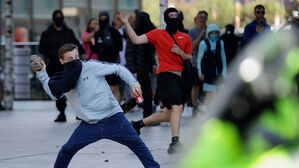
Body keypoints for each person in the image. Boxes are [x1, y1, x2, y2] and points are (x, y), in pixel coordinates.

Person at [31, 43, 160, 168]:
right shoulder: (64, 80)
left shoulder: (91, 66)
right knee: (66, 150)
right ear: (62, 61)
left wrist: (133, 83)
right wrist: (42, 73)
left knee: (138, 145)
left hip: (114, 118)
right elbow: (54, 93)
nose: (75, 61)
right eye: (70, 59)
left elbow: (118, 68)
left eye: (76, 57)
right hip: (89, 124)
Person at [120, 7, 193, 154]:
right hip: (166, 76)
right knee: (177, 108)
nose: (174, 17)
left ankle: (137, 124)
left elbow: (189, 56)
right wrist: (126, 23)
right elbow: (136, 39)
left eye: (176, 15)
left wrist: (181, 53)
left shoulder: (185, 37)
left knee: (168, 114)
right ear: (166, 19)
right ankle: (175, 143)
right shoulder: (157, 33)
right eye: (170, 15)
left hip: (179, 78)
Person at [39, 9, 85, 122]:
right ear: (53, 18)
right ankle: (61, 113)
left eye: (61, 17)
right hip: (55, 65)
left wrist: (83, 52)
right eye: (57, 17)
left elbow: (76, 43)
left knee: (75, 89)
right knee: (58, 90)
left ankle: (79, 113)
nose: (59, 19)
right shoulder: (46, 33)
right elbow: (41, 48)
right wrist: (54, 54)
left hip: (69, 66)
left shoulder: (68, 31)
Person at [125, 11, 156, 118]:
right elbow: (129, 53)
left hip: (145, 68)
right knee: (144, 93)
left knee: (142, 94)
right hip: (138, 69)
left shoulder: (149, 33)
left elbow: (150, 51)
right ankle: (147, 116)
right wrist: (133, 70)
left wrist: (153, 63)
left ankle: (123, 110)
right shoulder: (134, 34)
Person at [91, 11, 123, 103]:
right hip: (101, 65)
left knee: (114, 88)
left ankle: (117, 112)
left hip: (113, 64)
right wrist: (93, 45)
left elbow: (119, 47)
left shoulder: (114, 32)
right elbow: (96, 49)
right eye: (101, 18)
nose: (103, 20)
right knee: (104, 90)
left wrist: (107, 46)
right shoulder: (97, 34)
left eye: (105, 17)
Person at [197, 24, 227, 107]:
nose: (213, 34)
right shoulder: (203, 43)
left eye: (215, 32)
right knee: (209, 94)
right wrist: (200, 73)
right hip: (208, 72)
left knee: (219, 94)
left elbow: (223, 58)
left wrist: (224, 72)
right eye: (211, 33)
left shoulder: (220, 43)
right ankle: (208, 112)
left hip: (219, 72)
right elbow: (199, 59)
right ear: (208, 33)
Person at [188, 11, 208, 115]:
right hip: (196, 62)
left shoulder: (210, 30)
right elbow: (191, 46)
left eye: (204, 17)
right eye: (200, 17)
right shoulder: (192, 32)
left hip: (208, 63)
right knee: (195, 86)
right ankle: (194, 106)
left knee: (208, 86)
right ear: (197, 18)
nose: (202, 19)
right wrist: (201, 35)